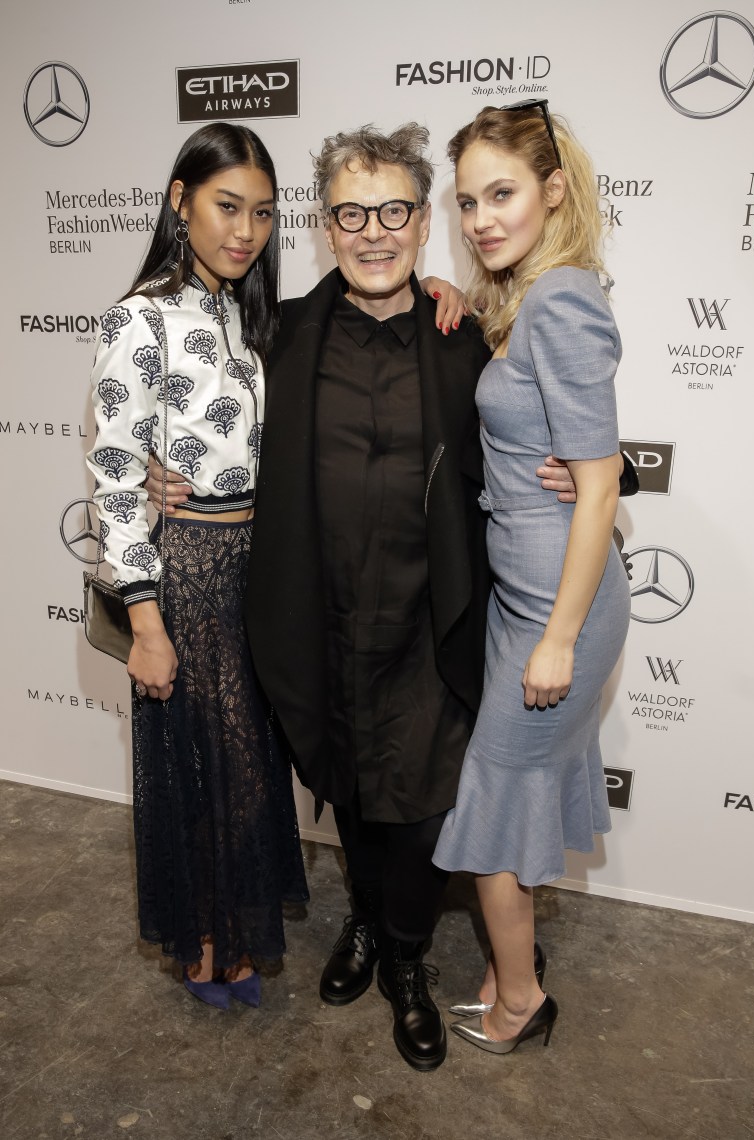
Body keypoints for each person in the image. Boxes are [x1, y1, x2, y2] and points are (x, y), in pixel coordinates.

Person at [147, 122, 635, 1070]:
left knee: (418, 808)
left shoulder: (470, 343)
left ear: (423, 226)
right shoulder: (275, 339)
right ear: (326, 227)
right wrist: (169, 478)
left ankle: (408, 958)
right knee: (351, 794)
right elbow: (195, 421)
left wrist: (589, 478)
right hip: (318, 620)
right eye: (351, 213)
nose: (374, 232)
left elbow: (550, 433)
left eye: (396, 211)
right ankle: (366, 924)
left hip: (436, 626)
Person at [86, 123, 308, 1011]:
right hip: (186, 572)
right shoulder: (139, 317)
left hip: (256, 566)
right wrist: (145, 621)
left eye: (260, 211)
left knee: (248, 762)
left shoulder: (250, 312)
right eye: (226, 207)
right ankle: (205, 938)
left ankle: (239, 923)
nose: (244, 230)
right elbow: (110, 475)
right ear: (180, 201)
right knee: (200, 764)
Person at [433, 101, 631, 1056]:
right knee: (521, 794)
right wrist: (443, 290)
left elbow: (597, 495)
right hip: (524, 600)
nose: (480, 219)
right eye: (468, 201)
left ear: (554, 191)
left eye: (501, 193)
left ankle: (520, 1002)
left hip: (563, 608)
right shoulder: (525, 296)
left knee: (496, 801)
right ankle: (518, 969)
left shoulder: (561, 298)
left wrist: (557, 638)